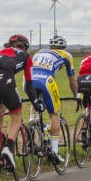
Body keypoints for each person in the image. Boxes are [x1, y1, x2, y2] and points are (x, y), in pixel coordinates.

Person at [0, 34, 36, 170]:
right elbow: (29, 85)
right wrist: (35, 101)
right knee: (16, 115)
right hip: (4, 80)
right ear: (25, 47)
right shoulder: (26, 56)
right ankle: (8, 150)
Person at [30, 35, 76, 163]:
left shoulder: (38, 52)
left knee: (35, 103)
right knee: (54, 114)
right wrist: (75, 95)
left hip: (29, 80)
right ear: (63, 47)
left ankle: (32, 127)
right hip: (46, 80)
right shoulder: (67, 55)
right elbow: (72, 81)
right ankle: (54, 152)